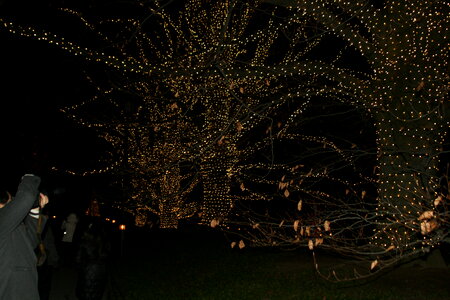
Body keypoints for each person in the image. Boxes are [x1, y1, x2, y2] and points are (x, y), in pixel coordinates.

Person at [0, 174, 49, 300]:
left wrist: (34, 209)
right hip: (12, 292)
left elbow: (29, 243)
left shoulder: (8, 225)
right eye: (11, 200)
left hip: (23, 289)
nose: (13, 203)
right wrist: (28, 178)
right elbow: (26, 196)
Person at [75, 219, 111, 300]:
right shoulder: (105, 241)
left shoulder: (85, 241)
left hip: (87, 270)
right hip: (101, 270)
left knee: (85, 292)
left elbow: (78, 259)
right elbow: (108, 255)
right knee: (97, 293)